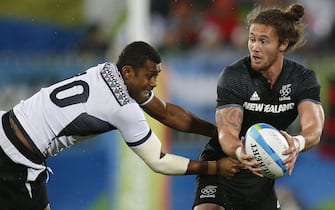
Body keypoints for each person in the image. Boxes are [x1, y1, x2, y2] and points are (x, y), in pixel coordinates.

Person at [0, 41, 243, 210]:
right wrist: (215, 167)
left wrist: (217, 132)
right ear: (128, 72)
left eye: (156, 75)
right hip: (17, 158)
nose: (154, 83)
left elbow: (167, 113)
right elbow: (160, 161)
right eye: (149, 76)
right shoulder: (124, 109)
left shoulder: (107, 71)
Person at [193, 3, 325, 210]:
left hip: (262, 171)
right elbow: (227, 135)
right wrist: (240, 152)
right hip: (225, 164)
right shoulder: (234, 76)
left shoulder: (303, 78)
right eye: (252, 39)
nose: (255, 47)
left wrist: (297, 144)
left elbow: (314, 128)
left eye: (263, 41)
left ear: (283, 44)